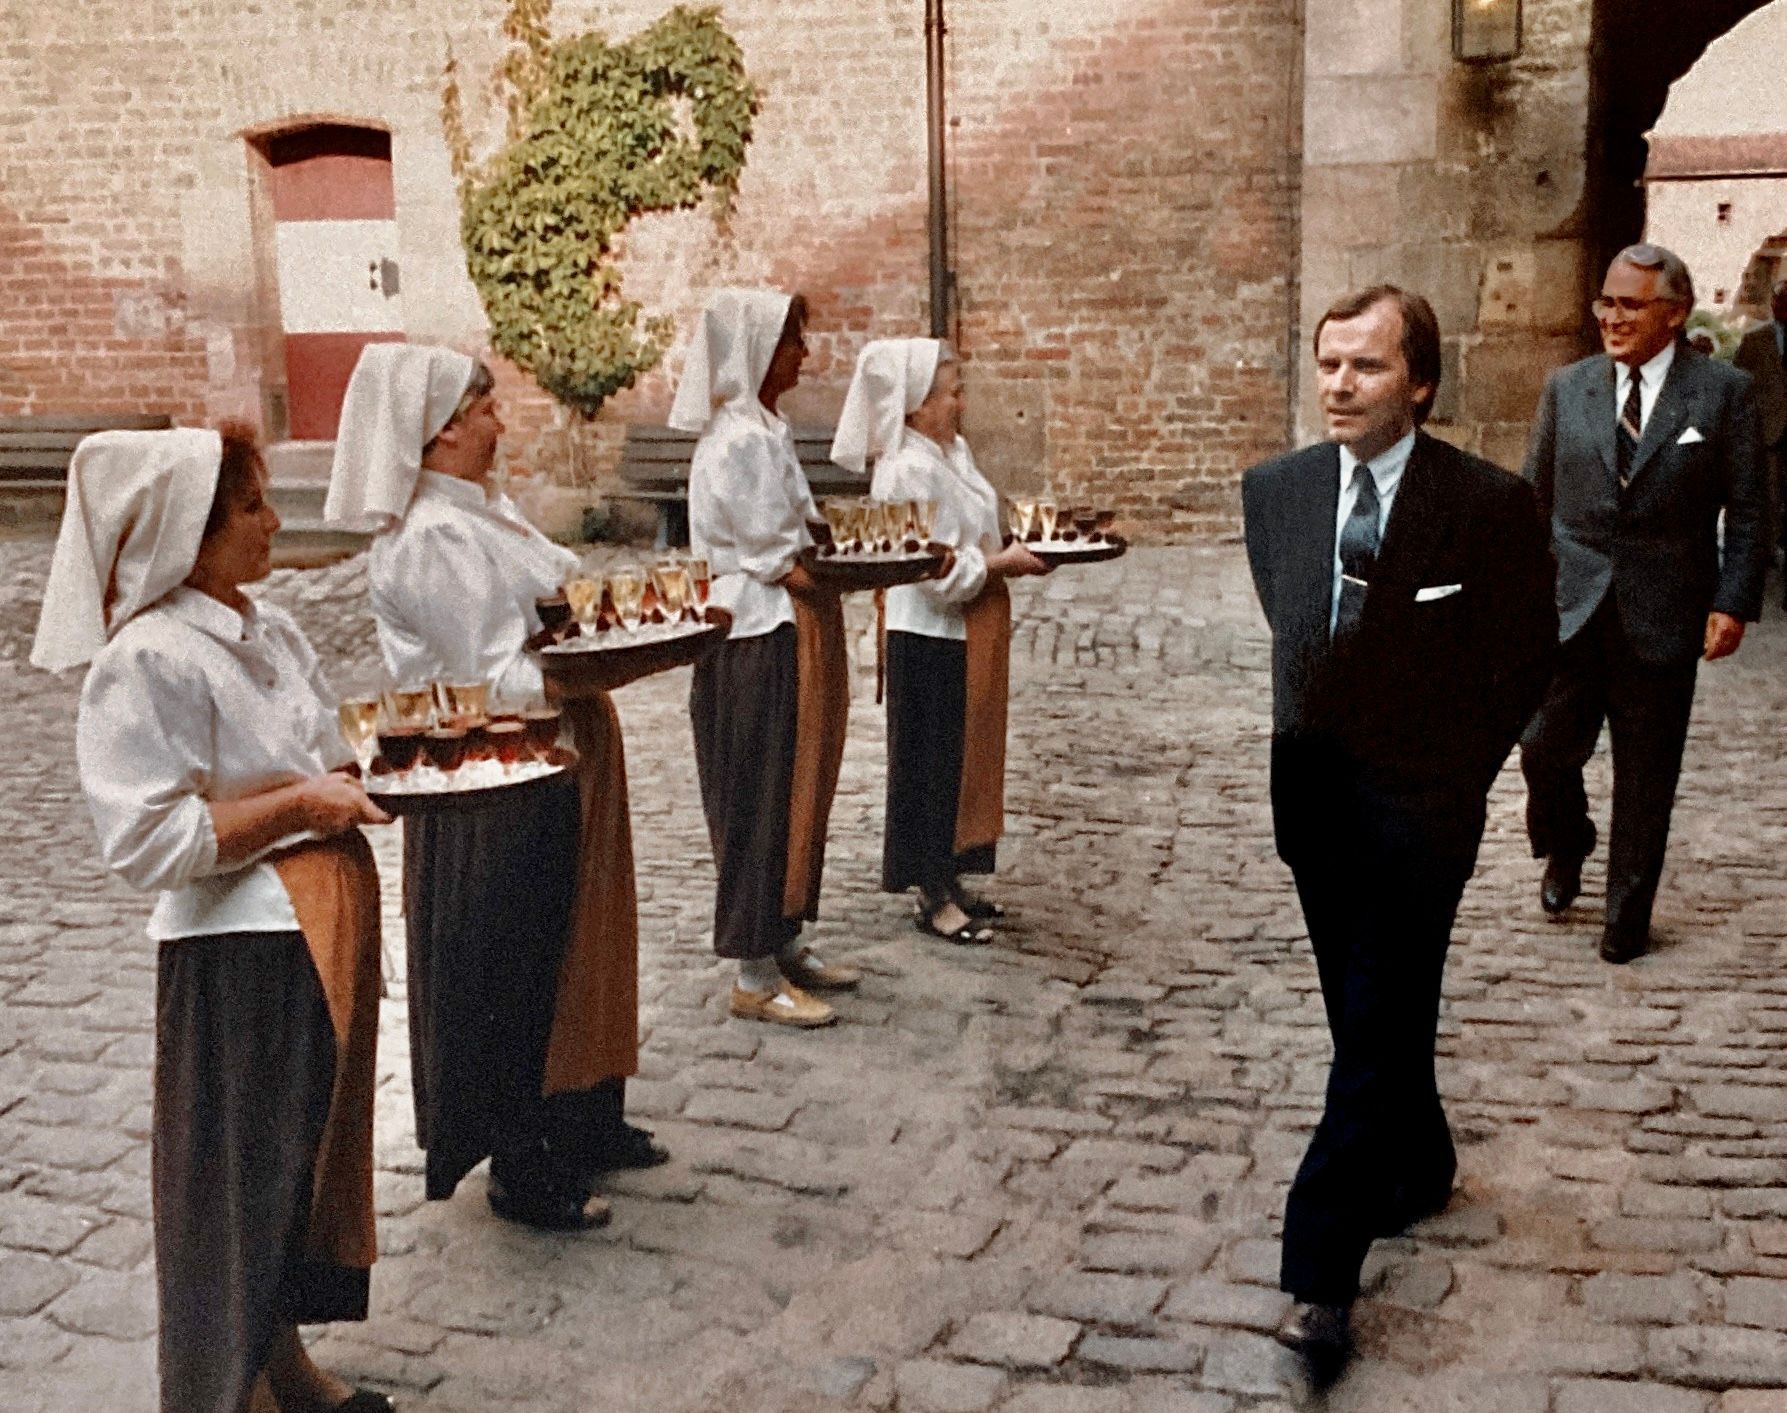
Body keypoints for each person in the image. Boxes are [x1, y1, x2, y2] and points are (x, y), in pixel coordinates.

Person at [33, 427, 393, 1413]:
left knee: (290, 1176)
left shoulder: (263, 630)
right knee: (240, 1188)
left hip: (312, 930)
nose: (274, 522)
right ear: (184, 537)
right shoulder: (148, 657)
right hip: (240, 951)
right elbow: (146, 840)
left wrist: (387, 764)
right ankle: (225, 1394)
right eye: (250, 507)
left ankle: (280, 1368)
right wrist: (300, 808)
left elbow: (323, 747)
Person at [1241, 286, 1555, 1380]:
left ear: (1418, 382)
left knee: (1373, 1022)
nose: (1337, 385)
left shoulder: (1483, 505)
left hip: (1421, 812)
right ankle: (1418, 1163)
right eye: (1327, 365)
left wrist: (1454, 772)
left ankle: (1319, 1276)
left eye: (1365, 368)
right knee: (1366, 1011)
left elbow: (1524, 656)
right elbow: (1294, 631)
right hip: (1313, 803)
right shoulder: (1272, 493)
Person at [327, 344, 661, 1233]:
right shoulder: (432, 534)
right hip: (493, 770)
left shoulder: (485, 513)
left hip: (557, 745)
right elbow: (485, 675)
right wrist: (594, 654)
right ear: (438, 429)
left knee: (580, 933)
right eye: (482, 408)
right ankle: (520, 1157)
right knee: (512, 959)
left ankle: (582, 1110)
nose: (497, 422)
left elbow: (563, 588)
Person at [1520, 243, 1769, 963]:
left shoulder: (1720, 393)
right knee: (1541, 749)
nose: (1611, 316)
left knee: (1646, 774)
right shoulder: (1567, 388)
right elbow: (1532, 503)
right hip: (1570, 607)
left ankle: (1625, 917)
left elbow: (1750, 510)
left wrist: (1733, 600)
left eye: (1630, 304)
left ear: (1673, 312)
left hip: (1664, 612)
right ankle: (1566, 843)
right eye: (1606, 300)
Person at [675, 288, 859, 1027]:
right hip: (750, 634)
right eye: (790, 342)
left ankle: (782, 935)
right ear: (757, 352)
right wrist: (871, 572)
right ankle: (752, 968)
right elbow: (774, 554)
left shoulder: (765, 428)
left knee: (793, 785)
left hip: (785, 624)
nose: (803, 354)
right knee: (757, 793)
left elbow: (801, 527)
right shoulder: (739, 440)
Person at [831, 338, 1048, 943]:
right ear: (914, 405)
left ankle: (952, 873)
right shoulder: (905, 470)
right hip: (927, 630)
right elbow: (932, 572)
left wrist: (1014, 545)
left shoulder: (951, 451)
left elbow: (977, 528)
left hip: (967, 625)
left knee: (965, 753)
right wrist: (1003, 563)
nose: (960, 402)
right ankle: (930, 889)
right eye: (950, 392)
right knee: (928, 761)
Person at [1730, 277, 1787, 597]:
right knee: (1767, 497)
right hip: (1768, 432)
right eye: (1780, 300)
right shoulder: (1755, 341)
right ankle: (1763, 556)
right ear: (1772, 303)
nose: (1784, 307)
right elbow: (1740, 386)